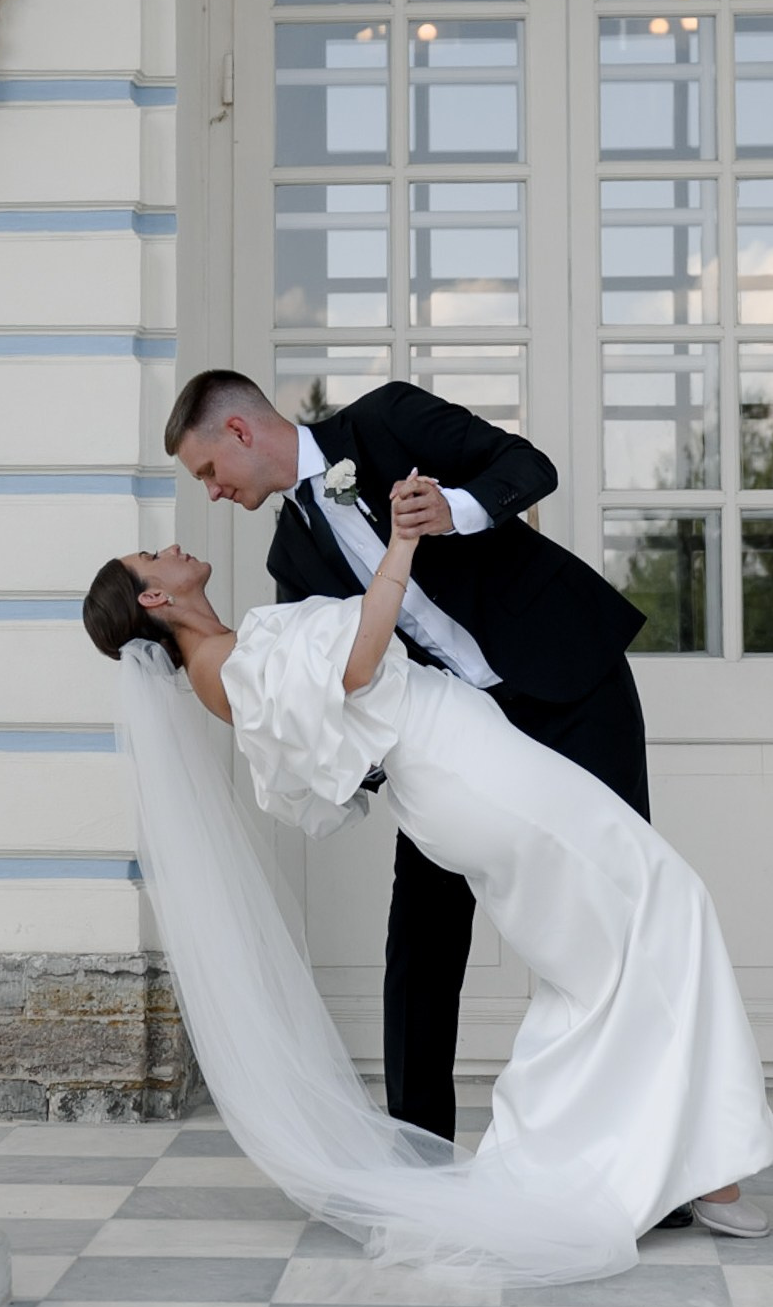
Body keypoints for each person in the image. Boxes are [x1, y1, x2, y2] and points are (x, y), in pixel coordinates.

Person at [82, 515, 773, 1283]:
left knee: (616, 950)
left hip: (464, 763)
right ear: (153, 596)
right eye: (154, 556)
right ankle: (579, 1171)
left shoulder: (229, 646)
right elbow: (353, 665)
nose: (173, 546)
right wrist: (402, 547)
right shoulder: (221, 663)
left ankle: (694, 1165)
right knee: (660, 908)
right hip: (466, 775)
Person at [163, 369, 646, 1145]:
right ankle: (419, 1153)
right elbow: (336, 693)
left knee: (620, 902)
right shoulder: (291, 560)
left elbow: (529, 465)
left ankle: (649, 1148)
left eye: (209, 471)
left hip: (570, 683)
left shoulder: (385, 421)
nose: (213, 492)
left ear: (240, 433)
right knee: (421, 935)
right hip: (456, 746)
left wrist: (453, 509)